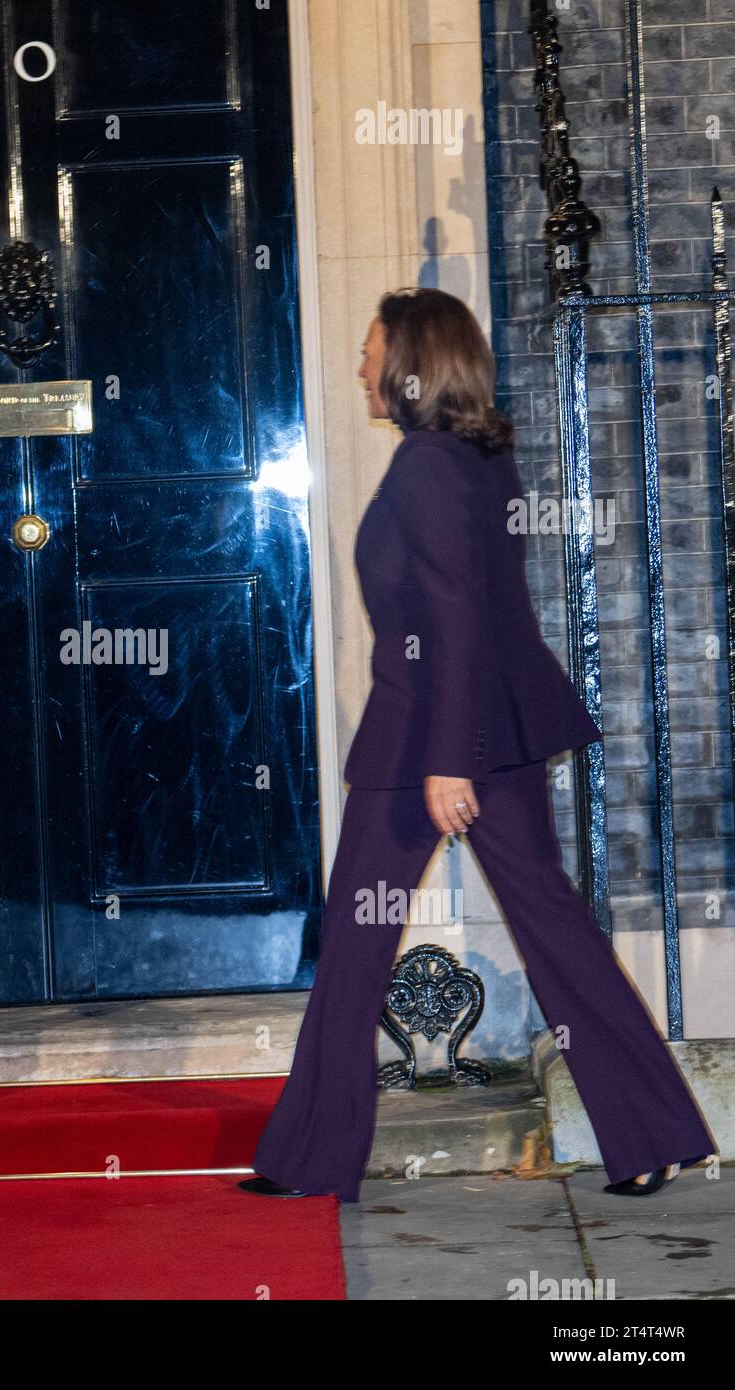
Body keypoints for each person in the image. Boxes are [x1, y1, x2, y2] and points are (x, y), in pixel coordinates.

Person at [241, 287, 716, 1201]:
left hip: (431, 738)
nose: (360, 366)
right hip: (490, 730)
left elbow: (454, 617)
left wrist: (444, 758)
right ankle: (655, 1134)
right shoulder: (477, 456)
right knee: (554, 930)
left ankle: (310, 1158)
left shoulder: (426, 465)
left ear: (412, 359)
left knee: (355, 942)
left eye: (371, 347)